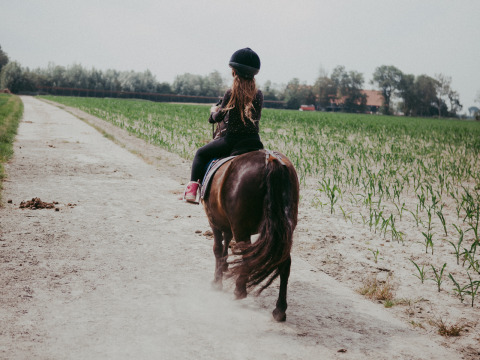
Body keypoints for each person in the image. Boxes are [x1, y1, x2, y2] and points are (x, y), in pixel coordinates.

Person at [184, 47, 264, 203]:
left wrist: (213, 112)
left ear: (234, 72)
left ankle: (192, 191)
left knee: (200, 153)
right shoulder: (259, 94)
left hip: (232, 140)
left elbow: (218, 117)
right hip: (254, 141)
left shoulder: (231, 92)